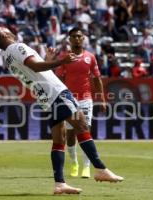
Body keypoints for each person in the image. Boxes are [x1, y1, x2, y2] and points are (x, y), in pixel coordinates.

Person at [0, 26, 124, 195]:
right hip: (56, 92)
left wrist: (48, 59)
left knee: (60, 138)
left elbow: (32, 70)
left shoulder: (6, 56)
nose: (9, 29)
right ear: (3, 34)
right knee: (81, 125)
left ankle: (60, 183)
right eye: (5, 28)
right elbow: (35, 67)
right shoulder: (17, 47)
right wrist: (61, 61)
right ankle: (100, 168)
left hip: (44, 97)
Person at [56, 27, 107, 179]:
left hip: (86, 99)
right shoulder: (65, 58)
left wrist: (102, 99)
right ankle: (74, 163)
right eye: (74, 37)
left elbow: (97, 79)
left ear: (83, 38)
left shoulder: (90, 57)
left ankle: (86, 167)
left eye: (79, 36)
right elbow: (59, 80)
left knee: (85, 131)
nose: (77, 39)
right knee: (70, 135)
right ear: (69, 40)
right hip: (69, 99)